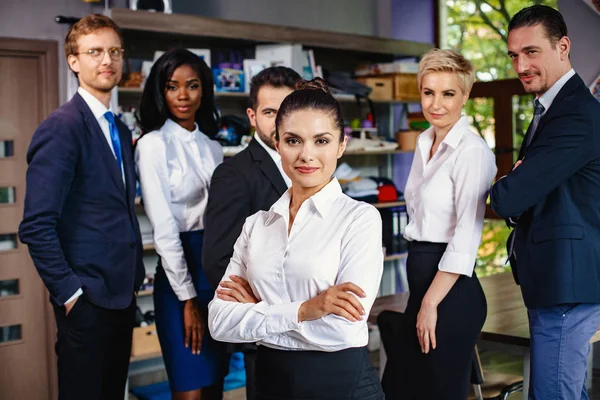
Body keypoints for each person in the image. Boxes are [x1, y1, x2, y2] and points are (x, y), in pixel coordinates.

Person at [207, 78, 384, 400]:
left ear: (341, 145)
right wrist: (307, 309)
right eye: (293, 140)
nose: (306, 155)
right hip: (270, 383)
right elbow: (219, 321)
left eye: (321, 141)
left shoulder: (359, 219)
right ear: (277, 144)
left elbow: (342, 327)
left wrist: (260, 309)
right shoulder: (257, 225)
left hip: (341, 385)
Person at [17, 14, 144, 400]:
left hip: (121, 294)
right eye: (94, 52)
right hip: (86, 298)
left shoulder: (118, 128)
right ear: (74, 61)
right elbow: (36, 225)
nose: (106, 60)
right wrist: (70, 293)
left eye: (113, 51)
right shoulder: (63, 127)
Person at [490, 5, 600, 399]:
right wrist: (520, 180)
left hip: (565, 286)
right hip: (555, 284)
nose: (521, 64)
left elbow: (508, 198)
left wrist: (509, 182)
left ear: (563, 47)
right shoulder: (551, 110)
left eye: (531, 52)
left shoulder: (574, 114)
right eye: (514, 55)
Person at [384, 49, 497, 399]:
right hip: (423, 289)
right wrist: (423, 301)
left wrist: (430, 304)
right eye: (428, 92)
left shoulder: (471, 151)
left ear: (465, 95)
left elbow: (465, 239)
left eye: (448, 93)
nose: (436, 103)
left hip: (451, 295)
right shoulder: (424, 142)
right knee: (397, 389)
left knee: (438, 393)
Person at [202, 66, 301, 399]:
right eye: (269, 112)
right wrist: (260, 308)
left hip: (310, 322)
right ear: (252, 116)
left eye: (285, 110)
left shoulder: (311, 163)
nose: (278, 121)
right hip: (267, 330)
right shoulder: (234, 174)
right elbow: (218, 258)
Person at [135, 47, 227, 400]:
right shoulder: (153, 145)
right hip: (179, 276)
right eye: (173, 86)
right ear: (161, 91)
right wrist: (187, 299)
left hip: (217, 272)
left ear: (204, 89)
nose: (183, 95)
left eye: (192, 85)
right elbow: (164, 229)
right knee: (190, 391)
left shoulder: (212, 147)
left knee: (216, 384)